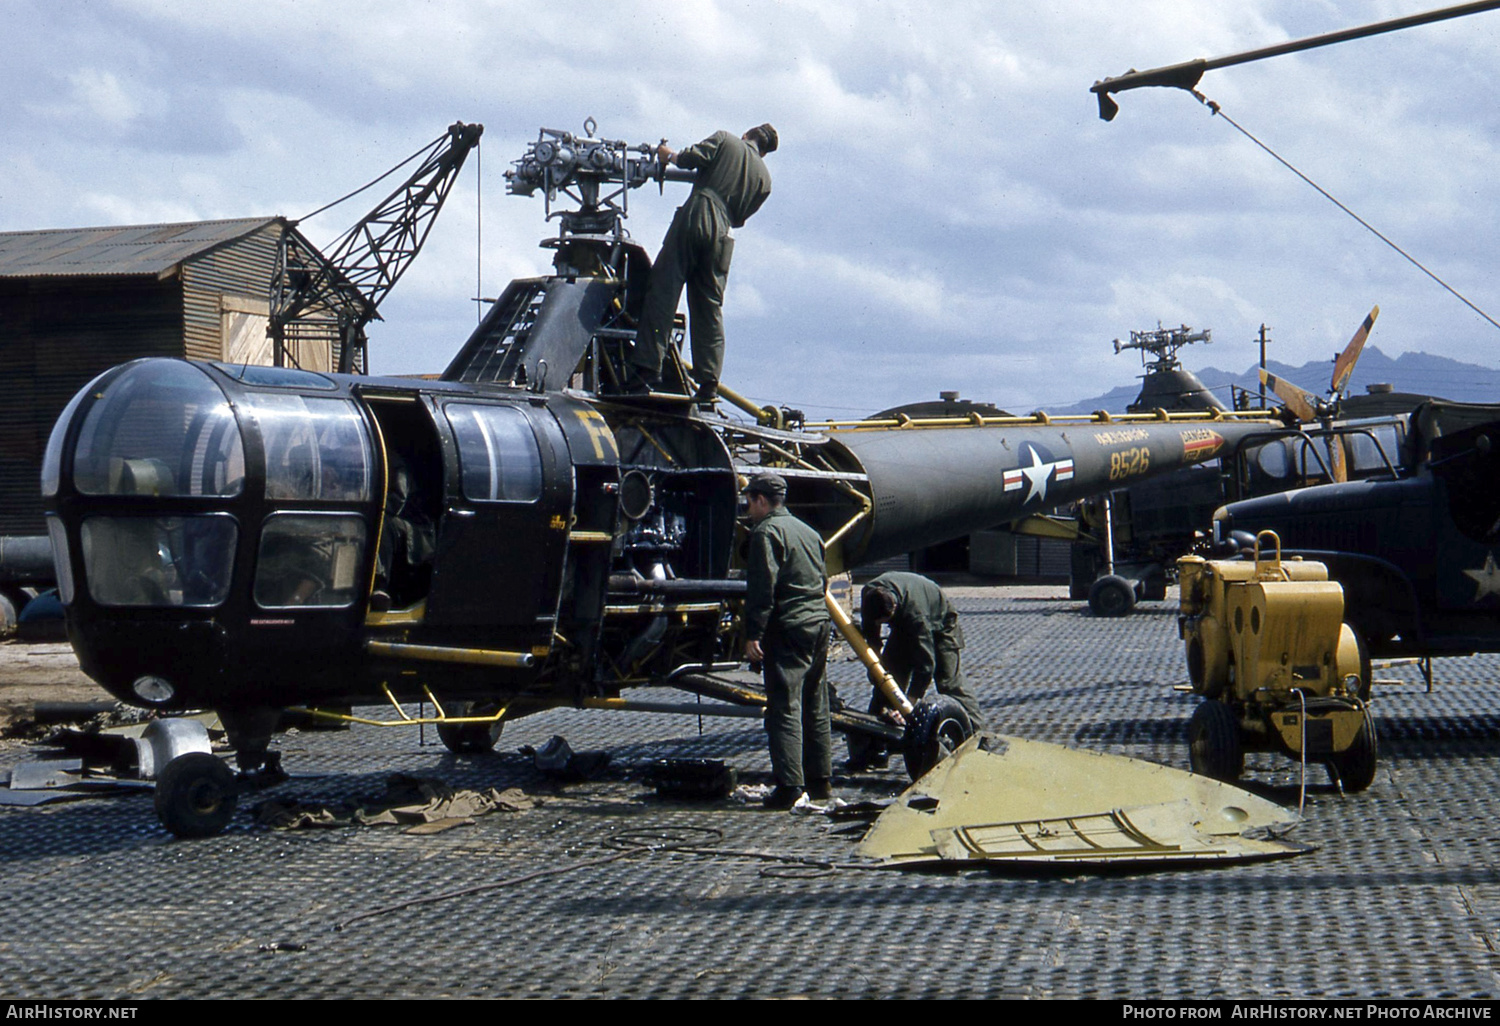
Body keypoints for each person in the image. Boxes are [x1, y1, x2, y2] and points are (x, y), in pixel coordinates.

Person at [626, 123, 777, 404]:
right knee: (709, 307)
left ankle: (647, 370)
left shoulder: (725, 139)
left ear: (747, 135)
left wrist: (665, 155)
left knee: (663, 291)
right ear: (764, 152)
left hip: (698, 212)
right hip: (723, 234)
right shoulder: (765, 179)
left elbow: (687, 159)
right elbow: (740, 218)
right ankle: (708, 383)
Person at [741, 471, 833, 809]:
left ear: (762, 500)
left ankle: (790, 787)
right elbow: (822, 579)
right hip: (819, 624)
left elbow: (763, 590)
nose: (748, 509)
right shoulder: (808, 532)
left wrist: (753, 635)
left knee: (784, 707)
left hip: (789, 627)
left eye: (749, 502)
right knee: (815, 703)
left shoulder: (766, 532)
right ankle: (821, 781)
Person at [847, 571, 986, 770]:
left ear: (894, 608)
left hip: (941, 625)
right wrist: (877, 669)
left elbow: (925, 667)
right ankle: (874, 750)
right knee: (886, 682)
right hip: (903, 626)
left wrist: (908, 705)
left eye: (886, 621)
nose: (881, 626)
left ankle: (978, 738)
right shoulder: (870, 595)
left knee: (949, 682)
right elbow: (873, 638)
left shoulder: (916, 615)